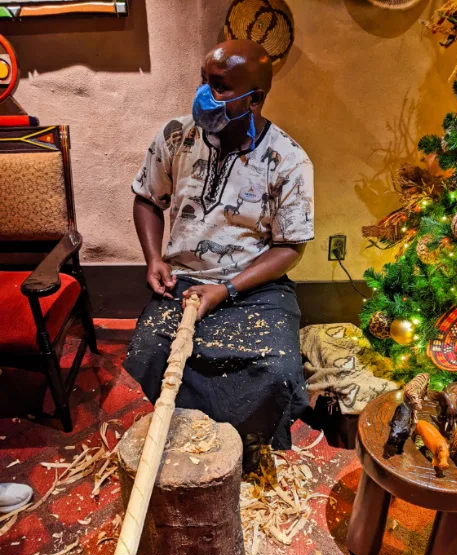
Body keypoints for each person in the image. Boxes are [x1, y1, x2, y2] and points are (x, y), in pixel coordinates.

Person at [123, 39, 314, 472]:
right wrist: (154, 258)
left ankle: (242, 448)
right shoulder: (176, 136)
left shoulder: (288, 160)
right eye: (203, 81)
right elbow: (148, 200)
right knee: (151, 348)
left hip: (254, 285)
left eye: (220, 86)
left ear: (256, 98)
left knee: (278, 369)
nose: (205, 94)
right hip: (184, 280)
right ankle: (187, 439)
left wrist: (225, 289)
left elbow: (289, 248)